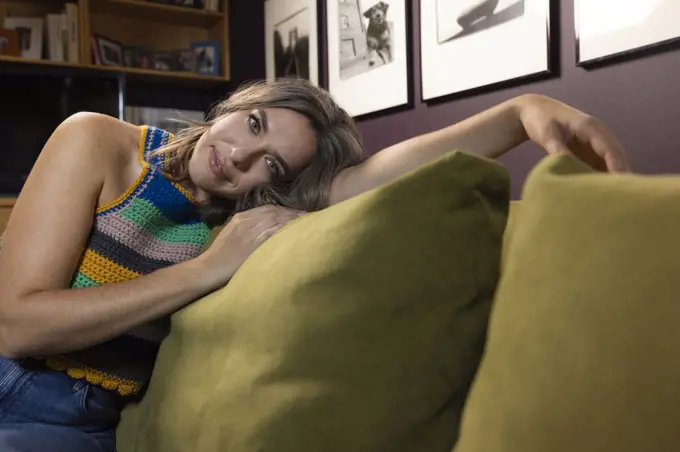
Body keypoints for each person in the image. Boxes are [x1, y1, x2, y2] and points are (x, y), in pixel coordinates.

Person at [0, 78, 629, 451]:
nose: (240, 157)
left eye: (271, 164)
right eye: (252, 124)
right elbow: (18, 324)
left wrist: (520, 114)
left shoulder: (249, 215)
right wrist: (204, 271)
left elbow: (391, 171)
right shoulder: (99, 141)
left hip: (72, 421)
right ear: (235, 106)